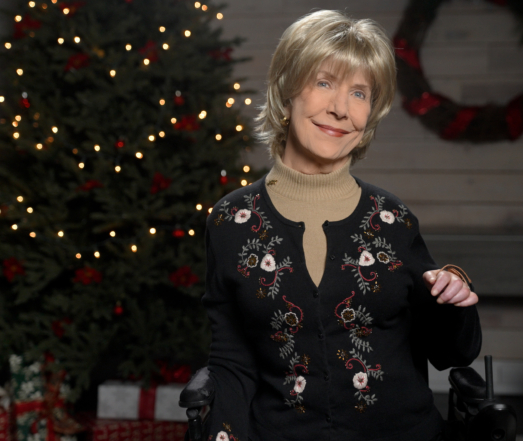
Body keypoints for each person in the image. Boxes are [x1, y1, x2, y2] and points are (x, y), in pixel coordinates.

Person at [203, 10, 481, 441]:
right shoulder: (230, 221)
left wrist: (455, 296)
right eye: (324, 83)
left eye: (359, 93)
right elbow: (230, 362)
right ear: (286, 90)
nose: (339, 108)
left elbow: (452, 353)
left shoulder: (393, 220)